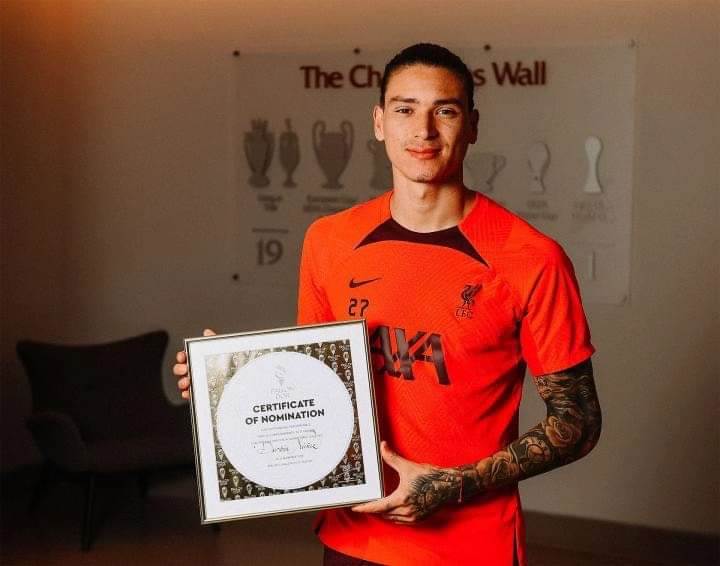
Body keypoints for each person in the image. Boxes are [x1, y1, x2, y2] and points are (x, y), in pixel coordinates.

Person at [174, 43, 601, 566]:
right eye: (404, 109)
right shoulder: (329, 239)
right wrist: (228, 379)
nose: (423, 130)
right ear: (379, 122)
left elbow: (578, 422)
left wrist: (453, 485)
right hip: (354, 536)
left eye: (445, 111)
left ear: (472, 125)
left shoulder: (531, 258)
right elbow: (317, 383)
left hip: (469, 547)